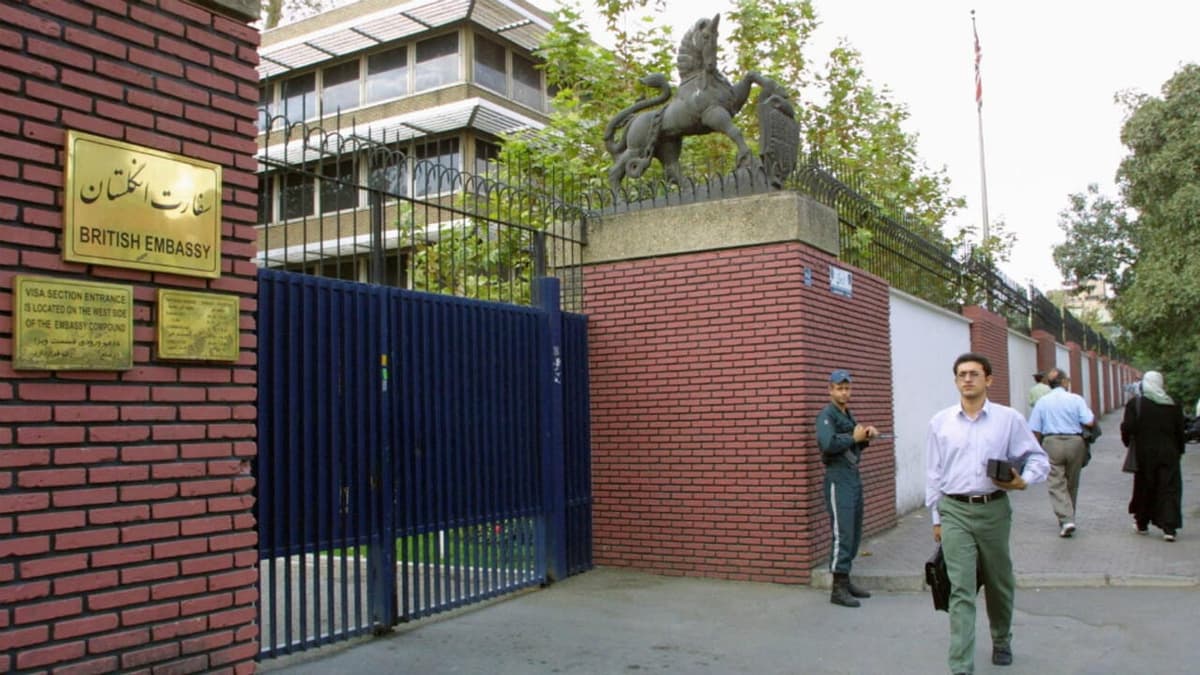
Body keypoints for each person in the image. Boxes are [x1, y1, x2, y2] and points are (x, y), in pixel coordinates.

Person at [926, 353, 1049, 674]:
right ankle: (961, 666)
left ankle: (1001, 638)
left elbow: (1038, 459)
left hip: (994, 509)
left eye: (974, 374)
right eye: (961, 374)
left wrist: (1024, 481)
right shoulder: (940, 423)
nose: (967, 379)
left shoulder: (1008, 420)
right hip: (954, 511)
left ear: (988, 380)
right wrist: (936, 519)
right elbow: (933, 473)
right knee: (961, 589)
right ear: (955, 381)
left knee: (998, 581)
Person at [816, 368, 879, 608]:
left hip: (853, 475)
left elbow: (853, 447)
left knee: (853, 531)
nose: (844, 392)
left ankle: (846, 578)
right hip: (837, 477)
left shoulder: (847, 414)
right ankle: (837, 588)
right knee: (842, 532)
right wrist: (854, 437)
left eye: (847, 388)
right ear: (830, 389)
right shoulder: (826, 415)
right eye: (839, 388)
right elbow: (828, 443)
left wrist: (865, 438)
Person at [1028, 369, 1096, 538]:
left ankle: (1066, 519)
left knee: (1056, 483)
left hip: (1052, 443)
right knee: (1072, 482)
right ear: (1065, 382)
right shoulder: (1076, 399)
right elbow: (1088, 421)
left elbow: (1034, 428)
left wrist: (1034, 451)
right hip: (1075, 443)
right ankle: (1069, 517)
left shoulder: (1042, 402)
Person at [1121, 371, 1185, 541]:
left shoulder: (1136, 404)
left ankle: (1142, 523)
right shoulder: (1173, 404)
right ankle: (1169, 527)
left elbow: (1128, 427)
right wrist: (1179, 450)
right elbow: (1180, 431)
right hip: (1169, 453)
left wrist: (1128, 443)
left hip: (1145, 454)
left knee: (1144, 486)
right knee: (1169, 488)